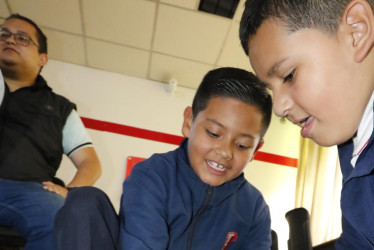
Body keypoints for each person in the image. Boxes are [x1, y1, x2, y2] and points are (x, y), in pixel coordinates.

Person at [54, 67, 273, 250]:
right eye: (214, 133)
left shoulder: (254, 208)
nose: (225, 152)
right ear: (189, 122)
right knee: (84, 201)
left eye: (242, 145)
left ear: (256, 150)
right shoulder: (152, 176)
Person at [239, 0, 374, 249]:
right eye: (271, 89)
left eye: (289, 75)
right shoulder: (353, 147)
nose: (278, 107)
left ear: (357, 32)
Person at [0, 14, 102, 250]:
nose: (10, 41)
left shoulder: (60, 109)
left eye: (23, 38)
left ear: (42, 59)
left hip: (28, 192)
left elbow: (91, 163)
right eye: (4, 34)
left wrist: (71, 192)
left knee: (63, 218)